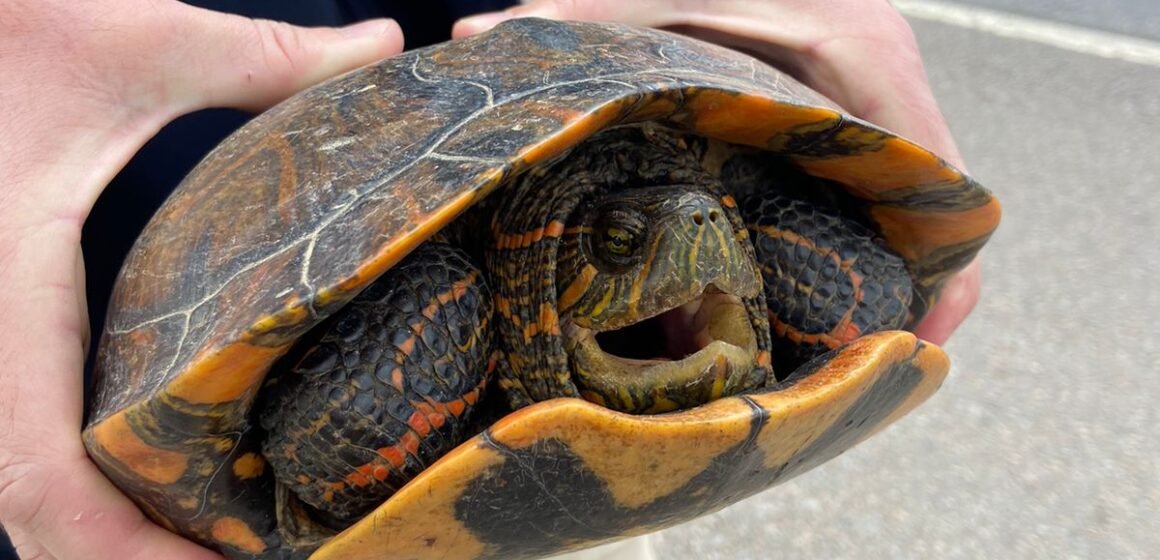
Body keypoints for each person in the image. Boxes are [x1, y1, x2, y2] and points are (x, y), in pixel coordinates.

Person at [0, 1, 981, 558]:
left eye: (719, 234)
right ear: (533, 281)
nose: (702, 246)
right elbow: (316, 447)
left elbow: (866, 289)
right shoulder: (467, 297)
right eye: (617, 242)